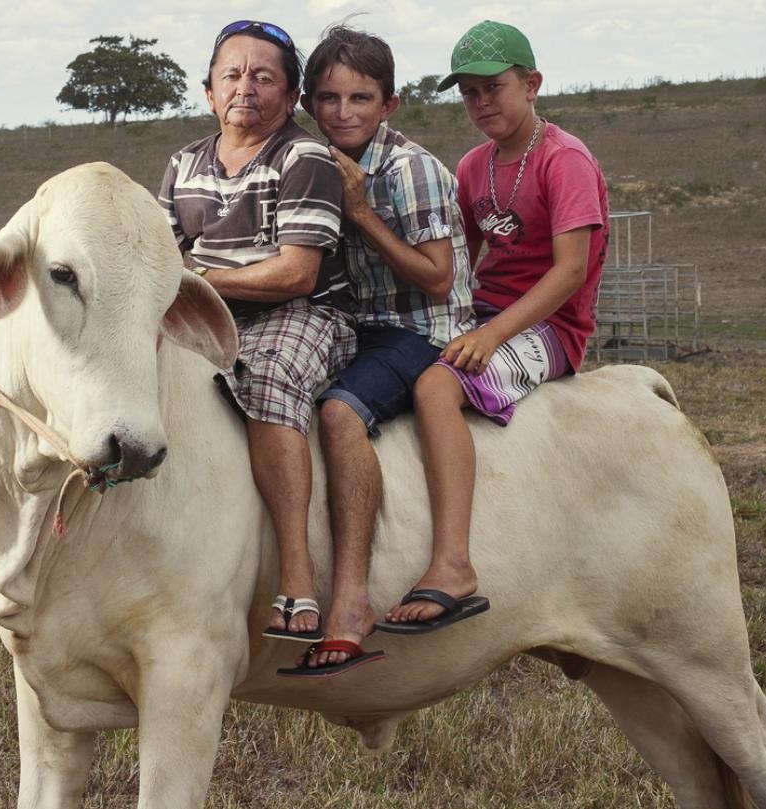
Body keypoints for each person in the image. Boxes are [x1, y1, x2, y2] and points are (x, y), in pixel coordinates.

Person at [379, 20, 608, 632]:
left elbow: (569, 273)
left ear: (531, 84)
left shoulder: (566, 162)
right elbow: (461, 259)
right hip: (483, 312)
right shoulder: (475, 166)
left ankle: (453, 563)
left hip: (550, 326)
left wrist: (489, 335)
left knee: (435, 386)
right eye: (469, 93)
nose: (481, 103)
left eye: (494, 88)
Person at [276, 25, 476, 678]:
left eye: (361, 98)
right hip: (354, 321)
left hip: (421, 327)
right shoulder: (310, 159)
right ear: (309, 103)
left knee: (338, 414)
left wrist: (362, 212)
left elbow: (438, 278)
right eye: (329, 99)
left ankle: (352, 601)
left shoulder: (409, 168)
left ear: (389, 105)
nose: (343, 113)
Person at [158, 20, 353, 646]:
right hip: (214, 306)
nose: (247, 86)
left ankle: (297, 574)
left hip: (307, 314)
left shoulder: (305, 158)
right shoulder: (184, 163)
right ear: (209, 92)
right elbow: (163, 257)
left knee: (265, 374)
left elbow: (296, 272)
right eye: (232, 75)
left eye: (265, 76)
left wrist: (197, 278)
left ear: (290, 96)